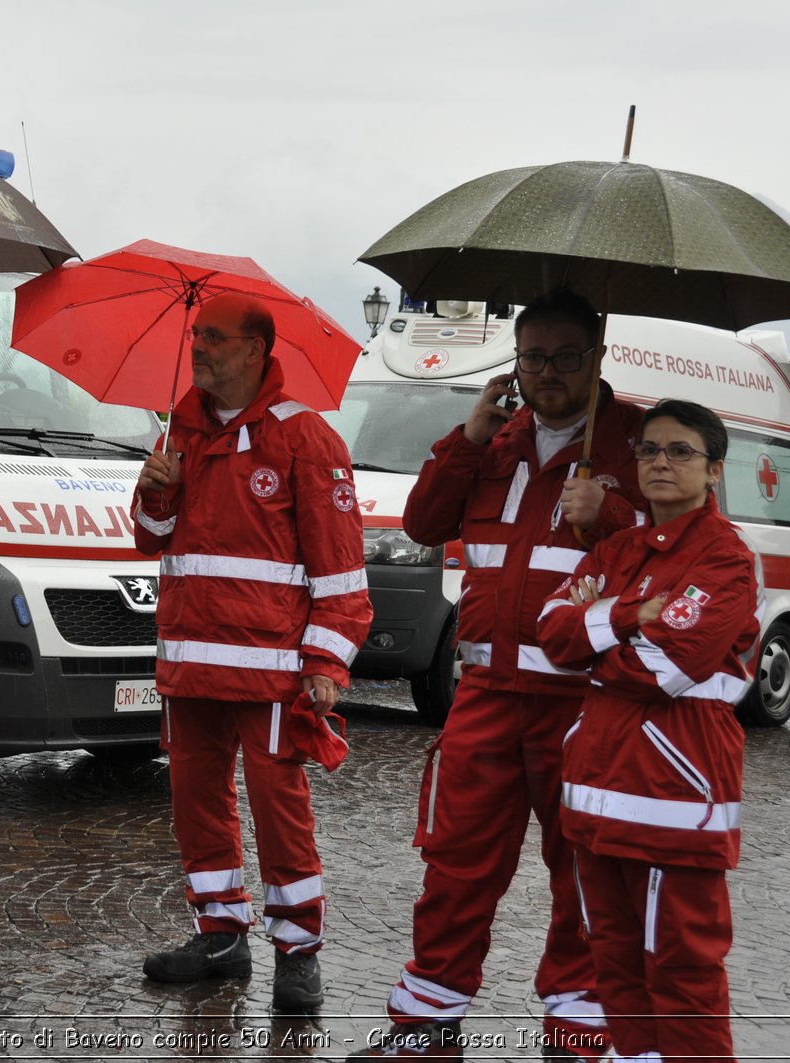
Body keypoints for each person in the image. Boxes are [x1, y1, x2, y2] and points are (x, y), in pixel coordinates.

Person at [357, 288, 644, 1059]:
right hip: (484, 693)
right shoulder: (497, 437)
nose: (548, 372)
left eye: (566, 356)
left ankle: (579, 1031)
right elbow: (421, 522)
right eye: (534, 356)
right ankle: (426, 1024)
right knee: (455, 862)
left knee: (585, 868)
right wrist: (467, 438)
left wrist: (611, 511)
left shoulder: (640, 444)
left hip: (584, 698)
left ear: (597, 356)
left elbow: (684, 546)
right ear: (515, 359)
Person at [132, 292, 372, 1014]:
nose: (198, 346)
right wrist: (154, 493)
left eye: (214, 337)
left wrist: (327, 665)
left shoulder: (307, 440)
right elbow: (151, 539)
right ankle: (220, 935)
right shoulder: (180, 430)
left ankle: (297, 951)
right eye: (196, 334)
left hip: (270, 673)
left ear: (255, 351)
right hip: (190, 668)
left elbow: (341, 575)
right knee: (196, 808)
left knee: (279, 814)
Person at [536, 400, 757, 1063]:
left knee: (684, 981)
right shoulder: (618, 549)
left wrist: (597, 632)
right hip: (596, 809)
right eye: (649, 449)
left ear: (715, 469)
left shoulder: (726, 558)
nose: (661, 461)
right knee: (619, 978)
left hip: (674, 808)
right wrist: (631, 613)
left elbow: (668, 666)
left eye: (681, 450)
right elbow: (551, 632)